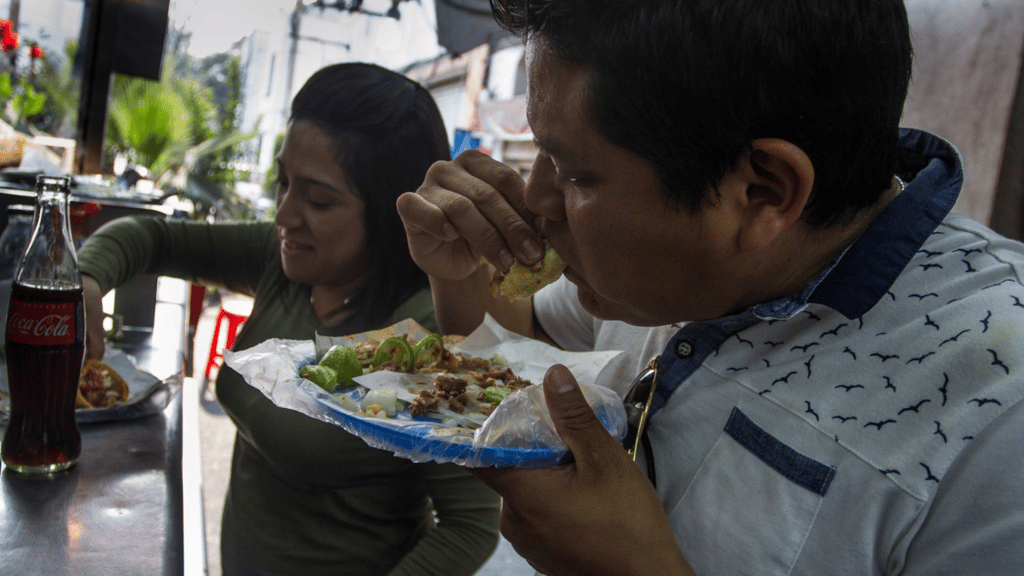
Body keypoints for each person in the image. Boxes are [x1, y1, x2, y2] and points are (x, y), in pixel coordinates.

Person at [395, 0, 1024, 574]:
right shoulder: (649, 279)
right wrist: (463, 273)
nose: (534, 198)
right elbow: (526, 333)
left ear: (762, 192)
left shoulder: (997, 422)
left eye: (576, 173)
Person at [78, 62, 500, 576]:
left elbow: (470, 525)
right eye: (283, 182)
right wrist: (87, 279)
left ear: (395, 215)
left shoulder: (420, 340)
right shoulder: (283, 261)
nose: (284, 215)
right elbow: (151, 238)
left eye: (318, 200)